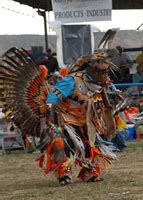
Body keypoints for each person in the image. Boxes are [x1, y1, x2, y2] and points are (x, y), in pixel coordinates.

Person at [0, 48, 118, 185]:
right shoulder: (72, 80)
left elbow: (105, 102)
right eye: (103, 72)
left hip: (87, 120)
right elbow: (52, 97)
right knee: (63, 144)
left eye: (107, 72)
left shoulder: (100, 83)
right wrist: (48, 113)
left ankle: (90, 172)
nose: (106, 75)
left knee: (91, 146)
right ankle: (64, 174)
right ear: (93, 70)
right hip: (67, 120)